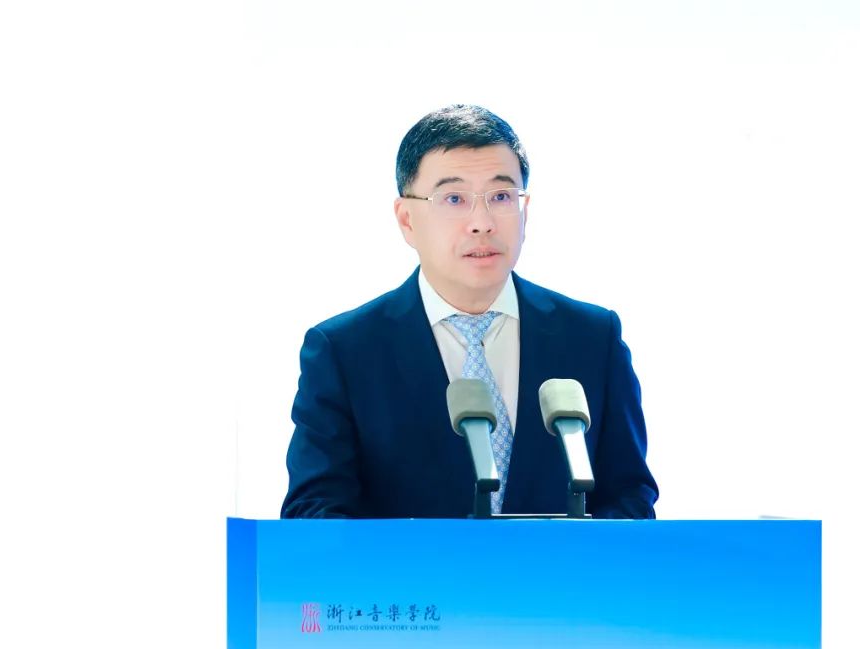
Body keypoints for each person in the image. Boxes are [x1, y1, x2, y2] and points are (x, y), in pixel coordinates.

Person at [282, 104, 658, 519]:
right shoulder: (344, 352)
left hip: (560, 567)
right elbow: (315, 513)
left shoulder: (593, 339)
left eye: (501, 197)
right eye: (454, 199)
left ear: (525, 210)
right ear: (407, 220)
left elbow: (629, 500)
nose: (482, 222)